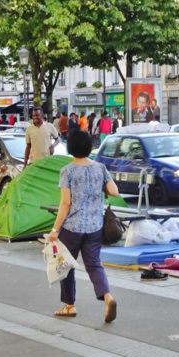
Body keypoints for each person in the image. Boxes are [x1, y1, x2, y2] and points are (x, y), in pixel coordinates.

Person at [47, 130, 119, 322]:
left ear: (70, 148)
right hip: (95, 226)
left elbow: (65, 203)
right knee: (94, 264)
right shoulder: (100, 168)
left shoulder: (67, 171)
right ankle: (107, 296)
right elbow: (114, 191)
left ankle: (69, 305)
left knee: (67, 265)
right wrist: (98, 185)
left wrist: (54, 230)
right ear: (88, 147)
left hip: (72, 227)